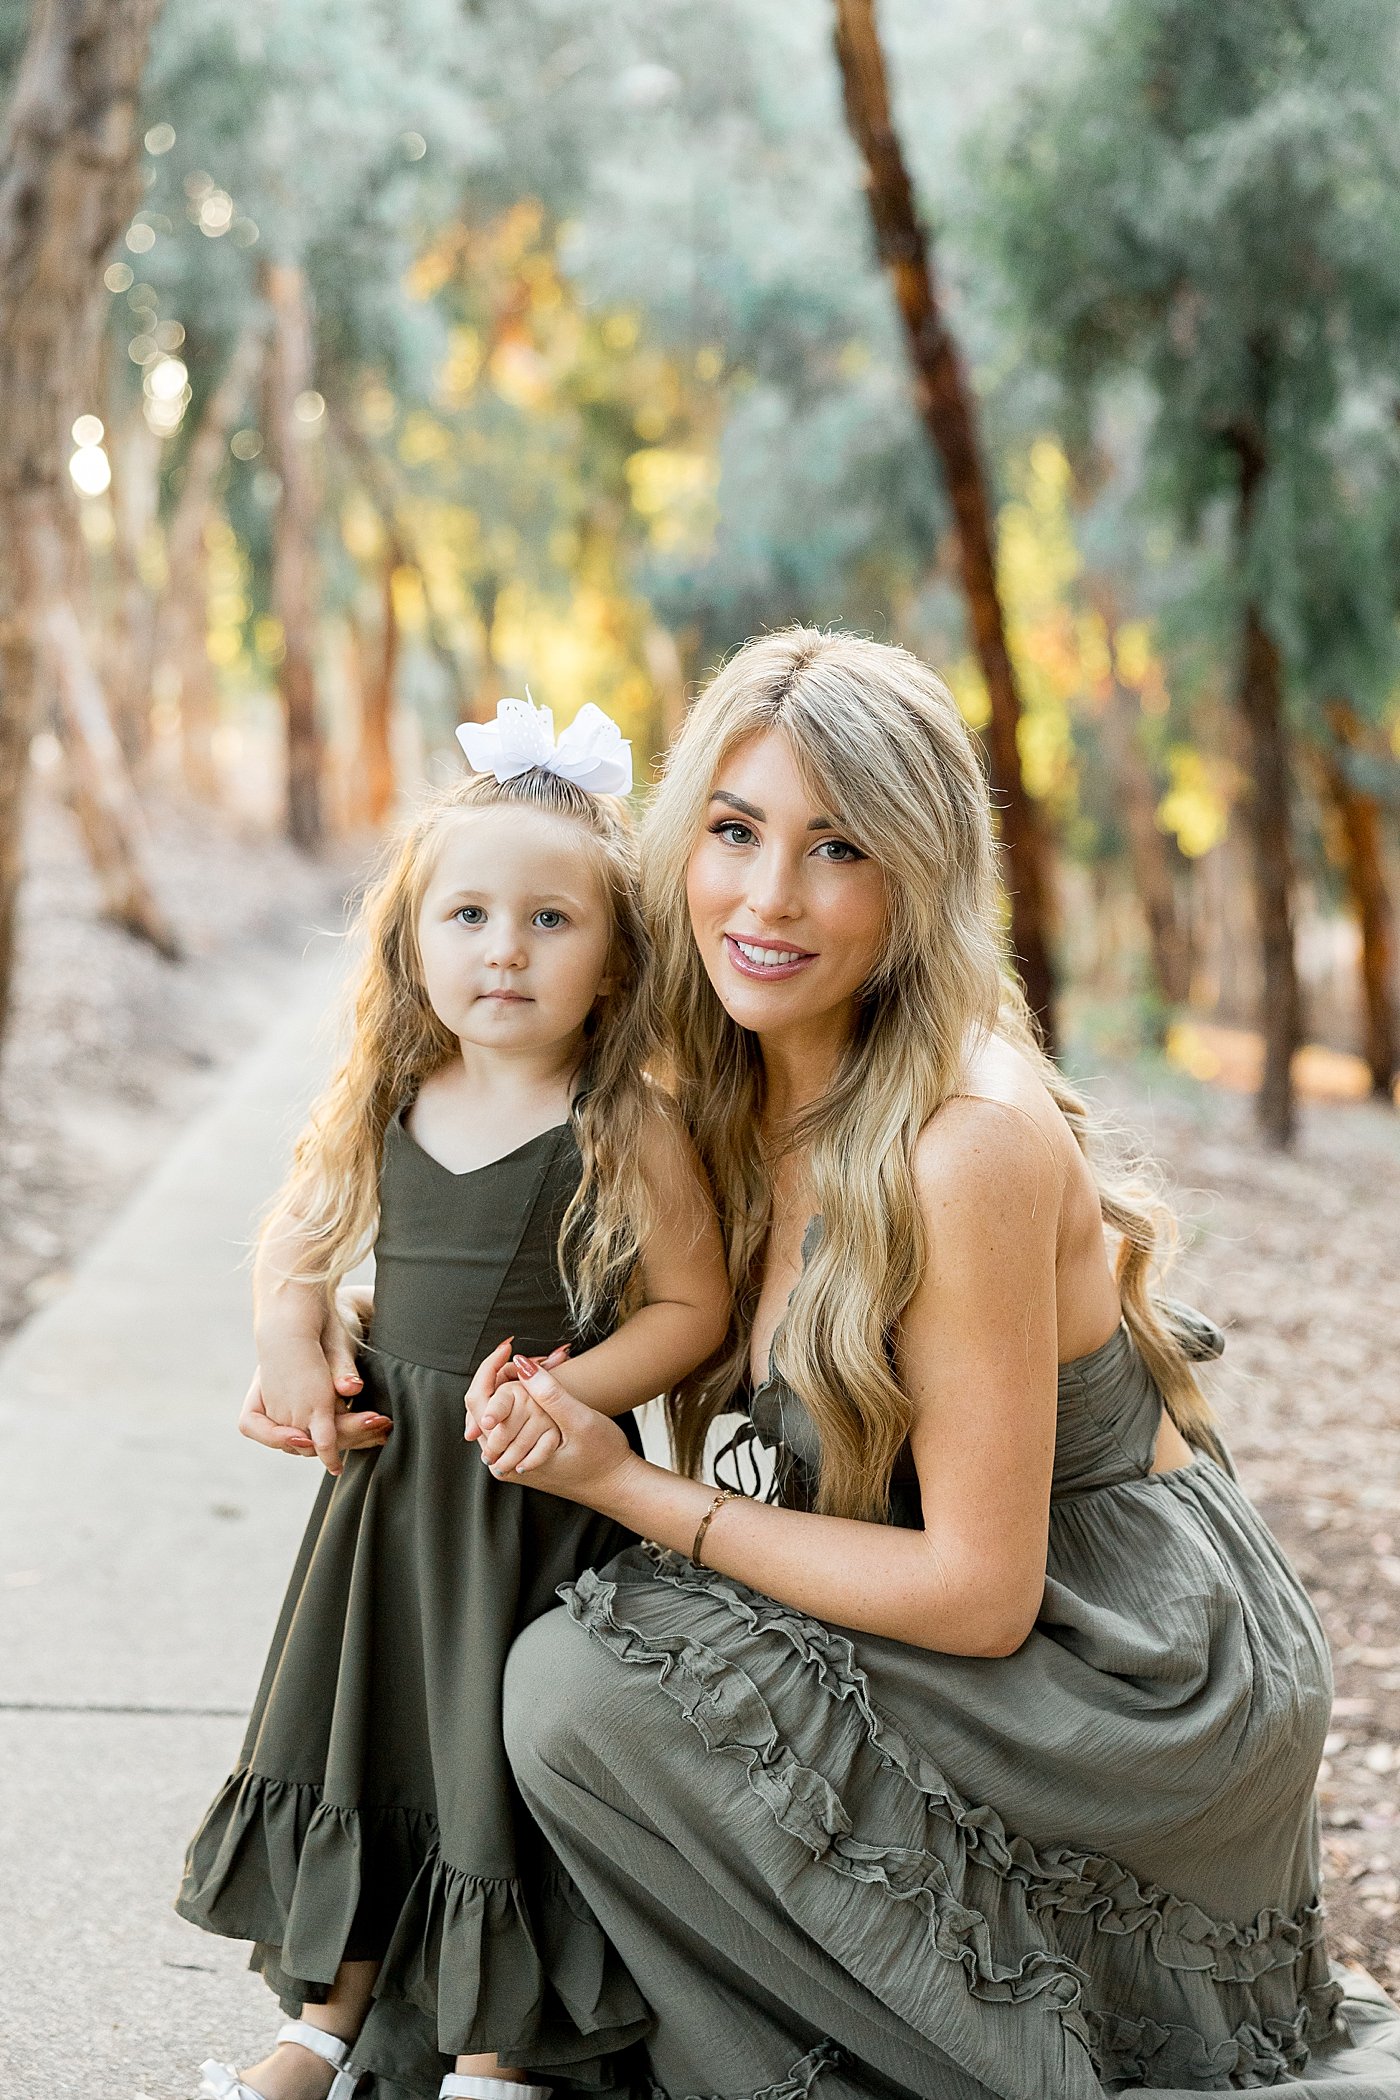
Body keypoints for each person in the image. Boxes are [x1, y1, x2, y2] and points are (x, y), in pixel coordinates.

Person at [472, 630, 1400, 2099]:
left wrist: (634, 1492)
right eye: (734, 831)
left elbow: (980, 1594)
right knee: (531, 1623)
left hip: (1121, 1659)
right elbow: (422, 1100)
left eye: (836, 848)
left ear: (916, 879)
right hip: (963, 1593)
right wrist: (313, 1331)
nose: (767, 898)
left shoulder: (963, 1142)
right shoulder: (722, 1071)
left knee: (586, 1690)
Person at [176, 700, 730, 2100]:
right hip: (392, 1497)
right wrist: (288, 1333)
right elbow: (300, 1241)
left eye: (553, 921)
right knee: (365, 1747)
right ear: (411, 947)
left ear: (613, 963)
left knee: (491, 1776)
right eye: (470, 915)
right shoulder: (389, 1090)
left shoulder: (626, 1122)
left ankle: (492, 2062)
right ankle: (323, 2027)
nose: (506, 948)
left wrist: (571, 1395)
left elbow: (691, 1308)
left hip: (531, 1506)